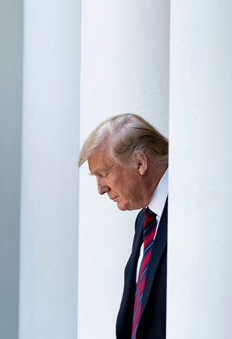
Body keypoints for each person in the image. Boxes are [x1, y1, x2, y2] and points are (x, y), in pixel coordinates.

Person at [78, 113, 169, 339]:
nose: (100, 188)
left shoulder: (189, 214)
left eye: (104, 173)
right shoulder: (145, 220)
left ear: (140, 162)